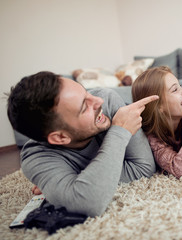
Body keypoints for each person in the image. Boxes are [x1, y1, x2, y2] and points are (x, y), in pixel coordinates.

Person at [7, 71, 159, 217]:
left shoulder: (107, 99)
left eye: (87, 93)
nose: (98, 101)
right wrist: (119, 132)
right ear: (60, 137)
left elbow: (143, 169)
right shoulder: (36, 158)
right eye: (84, 107)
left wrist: (74, 182)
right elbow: (87, 202)